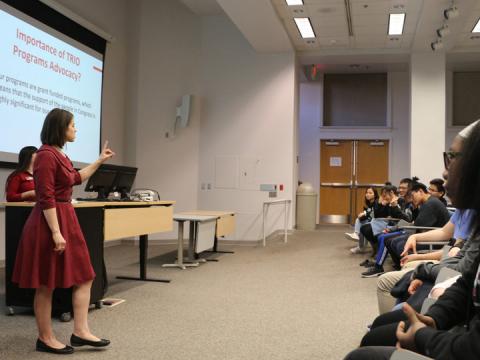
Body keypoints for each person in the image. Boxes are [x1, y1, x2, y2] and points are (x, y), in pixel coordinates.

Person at [344, 120, 480, 360]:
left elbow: (472, 347)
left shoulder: (435, 205)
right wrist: (436, 318)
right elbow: (466, 283)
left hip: (461, 341)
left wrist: (423, 338)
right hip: (453, 314)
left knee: (361, 356)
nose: (445, 171)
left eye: (452, 157)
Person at [12, 108, 115, 355]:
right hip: (50, 222)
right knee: (46, 283)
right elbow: (46, 197)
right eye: (73, 125)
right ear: (60, 128)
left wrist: (100, 160)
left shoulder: (59, 154)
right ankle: (45, 338)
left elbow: (76, 179)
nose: (76, 128)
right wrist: (56, 233)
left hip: (65, 217)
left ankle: (80, 332)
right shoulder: (46, 155)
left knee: (85, 275)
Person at [346, 187, 379, 254]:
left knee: (362, 225)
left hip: (377, 223)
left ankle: (359, 241)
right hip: (371, 221)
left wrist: (365, 214)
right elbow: (368, 216)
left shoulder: (377, 202)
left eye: (370, 193)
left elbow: (374, 214)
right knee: (360, 221)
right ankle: (360, 245)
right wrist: (361, 216)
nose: (367, 194)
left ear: (374, 195)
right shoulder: (368, 204)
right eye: (367, 193)